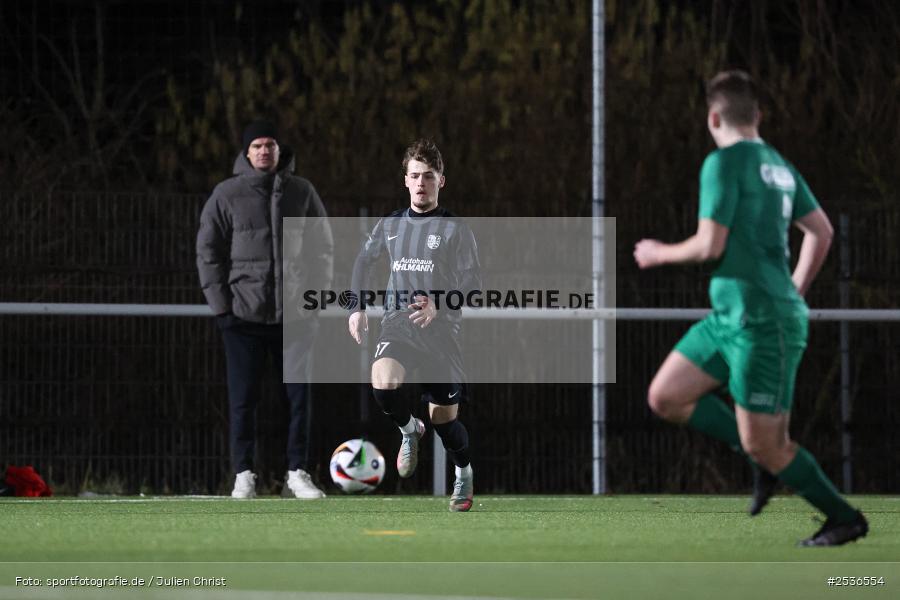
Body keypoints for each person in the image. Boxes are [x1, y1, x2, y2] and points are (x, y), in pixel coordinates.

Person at [633, 70, 868, 546]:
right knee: (666, 396)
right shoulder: (779, 164)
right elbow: (821, 231)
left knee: (770, 443)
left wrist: (658, 253)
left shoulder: (723, 163)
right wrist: (795, 290)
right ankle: (759, 460)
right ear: (757, 116)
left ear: (713, 116)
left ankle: (844, 518)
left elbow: (708, 245)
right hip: (729, 319)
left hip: (763, 325)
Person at [197, 119, 333, 499]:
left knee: (299, 399)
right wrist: (223, 307)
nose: (263, 151)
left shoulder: (302, 191)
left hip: (296, 318)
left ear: (279, 149)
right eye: (256, 145)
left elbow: (323, 248)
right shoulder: (226, 194)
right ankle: (244, 474)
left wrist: (314, 298)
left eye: (269, 144)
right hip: (243, 317)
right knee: (243, 401)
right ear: (246, 151)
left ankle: (298, 473)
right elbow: (207, 251)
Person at [348, 139, 480, 512]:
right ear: (405, 181)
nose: (421, 183)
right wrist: (356, 308)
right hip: (399, 324)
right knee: (383, 382)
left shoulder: (456, 229)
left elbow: (473, 285)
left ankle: (464, 473)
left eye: (429, 176)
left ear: (442, 181)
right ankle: (409, 429)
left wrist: (440, 304)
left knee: (444, 421)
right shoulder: (390, 224)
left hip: (442, 335)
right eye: (415, 176)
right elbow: (362, 262)